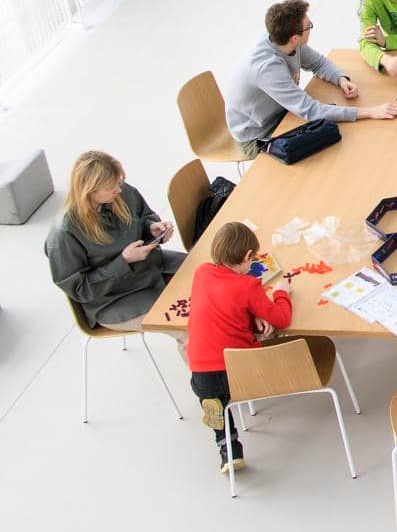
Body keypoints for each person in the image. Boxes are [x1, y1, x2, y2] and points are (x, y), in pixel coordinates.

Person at [224, 0, 397, 158]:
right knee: (331, 148)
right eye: (309, 26)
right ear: (294, 37)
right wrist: (370, 112)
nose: (311, 28)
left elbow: (318, 63)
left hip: (285, 113)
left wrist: (341, 79)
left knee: (341, 135)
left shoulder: (284, 40)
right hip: (260, 135)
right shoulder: (267, 69)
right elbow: (311, 111)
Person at [186, 222, 293, 473]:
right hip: (238, 370)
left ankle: (228, 448)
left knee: (213, 401)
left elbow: (220, 307)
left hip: (200, 370)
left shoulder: (201, 273)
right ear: (247, 257)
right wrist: (281, 293)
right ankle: (223, 411)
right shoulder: (248, 286)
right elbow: (281, 319)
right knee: (263, 343)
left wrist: (249, 316)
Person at [45, 150, 184, 334]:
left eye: (119, 183)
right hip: (115, 300)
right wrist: (123, 262)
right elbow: (79, 289)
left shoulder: (122, 192)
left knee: (215, 272)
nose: (118, 190)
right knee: (187, 326)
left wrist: (152, 229)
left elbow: (144, 216)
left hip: (151, 267)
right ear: (90, 189)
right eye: (111, 187)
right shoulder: (64, 234)